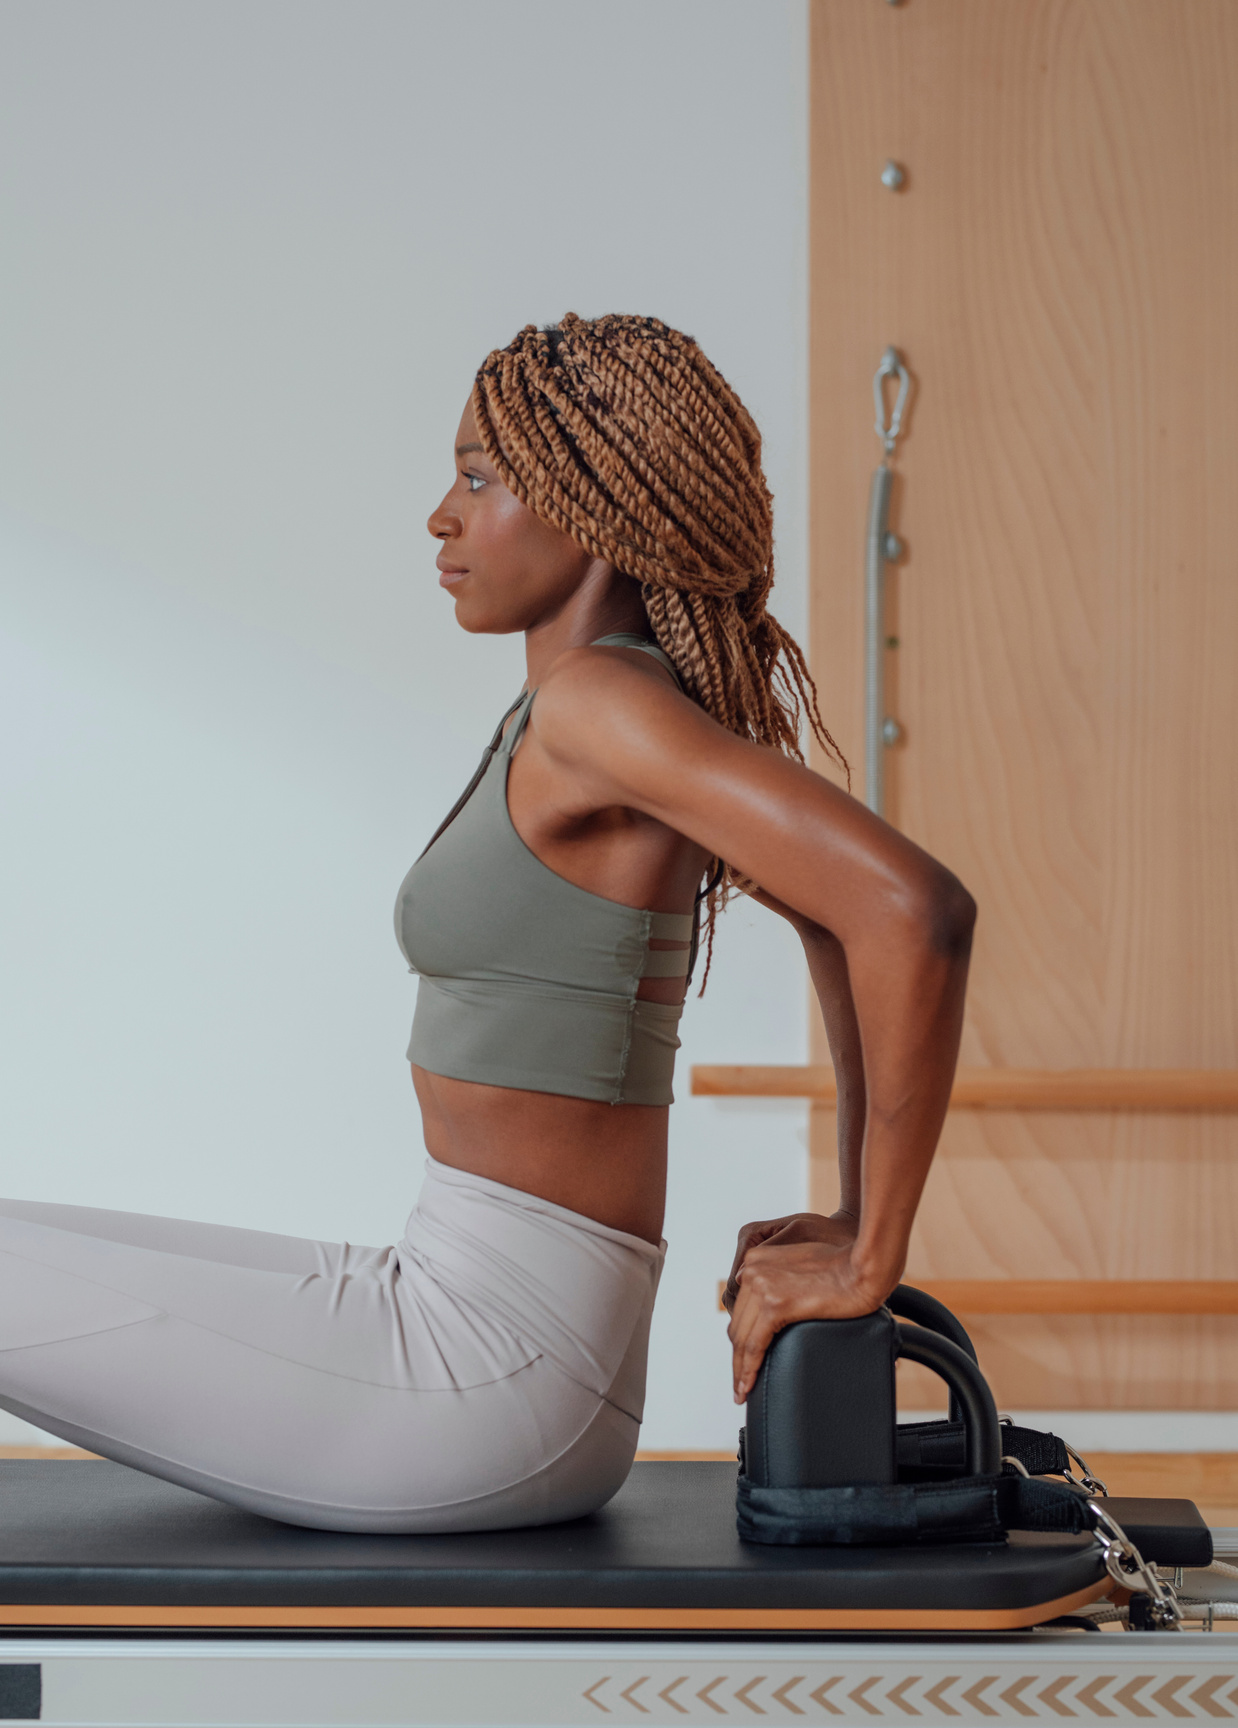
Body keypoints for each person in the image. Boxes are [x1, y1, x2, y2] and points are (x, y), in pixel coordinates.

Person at [0, 314, 974, 1532]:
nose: (440, 516)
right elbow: (842, 921)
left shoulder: (600, 709)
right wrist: (843, 1211)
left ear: (594, 504)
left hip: (482, 1375)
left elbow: (908, 909)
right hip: (471, 1318)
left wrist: (866, 1248)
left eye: (475, 476)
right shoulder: (594, 713)